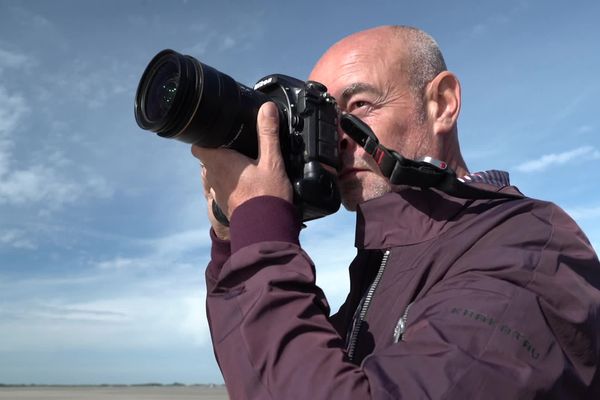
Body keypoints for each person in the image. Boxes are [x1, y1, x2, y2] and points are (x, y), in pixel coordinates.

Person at [192, 25, 600, 399]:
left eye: (360, 104)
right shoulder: (384, 260)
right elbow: (263, 383)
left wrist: (263, 231)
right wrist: (233, 244)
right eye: (320, 116)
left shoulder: (528, 247)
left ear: (442, 104)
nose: (334, 139)